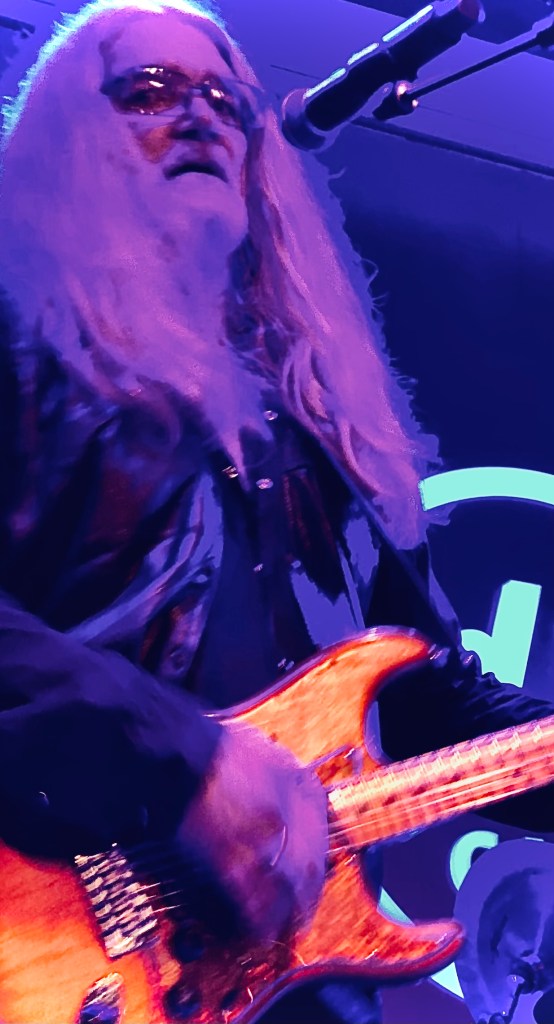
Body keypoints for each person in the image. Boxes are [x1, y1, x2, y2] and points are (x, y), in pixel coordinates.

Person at [0, 2, 552, 1022]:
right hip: (46, 941)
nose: (201, 116)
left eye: (227, 101)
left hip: (287, 983)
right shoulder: (17, 341)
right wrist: (182, 761)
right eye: (152, 91)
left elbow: (430, 696)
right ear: (63, 142)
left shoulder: (315, 418)